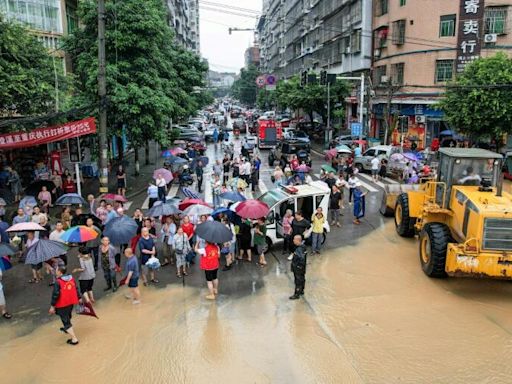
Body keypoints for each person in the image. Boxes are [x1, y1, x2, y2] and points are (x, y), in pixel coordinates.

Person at [49, 266, 80, 345]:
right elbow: (75, 289)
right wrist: (79, 298)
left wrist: (52, 306)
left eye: (56, 270)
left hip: (62, 304)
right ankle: (67, 328)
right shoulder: (71, 279)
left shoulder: (58, 282)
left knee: (65, 320)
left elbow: (55, 295)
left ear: (59, 272)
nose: (55, 271)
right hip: (71, 302)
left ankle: (74, 339)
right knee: (68, 316)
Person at [289, 234, 307, 300]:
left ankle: (297, 294)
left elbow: (301, 258)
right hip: (302, 268)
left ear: (298, 240)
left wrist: (298, 266)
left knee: (298, 281)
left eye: (294, 239)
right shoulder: (303, 246)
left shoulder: (299, 249)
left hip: (298, 268)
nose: (293, 240)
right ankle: (301, 291)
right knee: (302, 279)